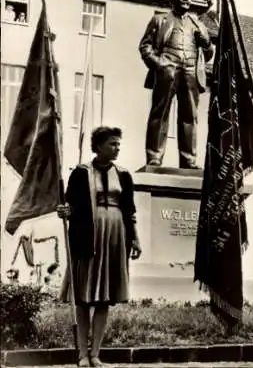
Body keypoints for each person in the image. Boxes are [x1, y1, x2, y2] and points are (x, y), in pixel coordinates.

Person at [57, 126, 142, 367]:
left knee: (104, 298)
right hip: (87, 237)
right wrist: (64, 210)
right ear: (99, 146)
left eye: (118, 144)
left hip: (115, 237)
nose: (117, 148)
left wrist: (134, 238)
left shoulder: (123, 174)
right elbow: (68, 204)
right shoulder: (81, 173)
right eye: (112, 144)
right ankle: (82, 354)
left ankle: (96, 353)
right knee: (83, 298)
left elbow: (130, 211)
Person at [139, 0, 214, 168]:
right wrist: (159, 64)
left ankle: (188, 159)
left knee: (189, 116)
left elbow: (209, 53)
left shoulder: (198, 23)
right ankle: (154, 156)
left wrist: (206, 44)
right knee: (160, 113)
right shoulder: (160, 19)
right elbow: (145, 46)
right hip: (167, 69)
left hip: (190, 70)